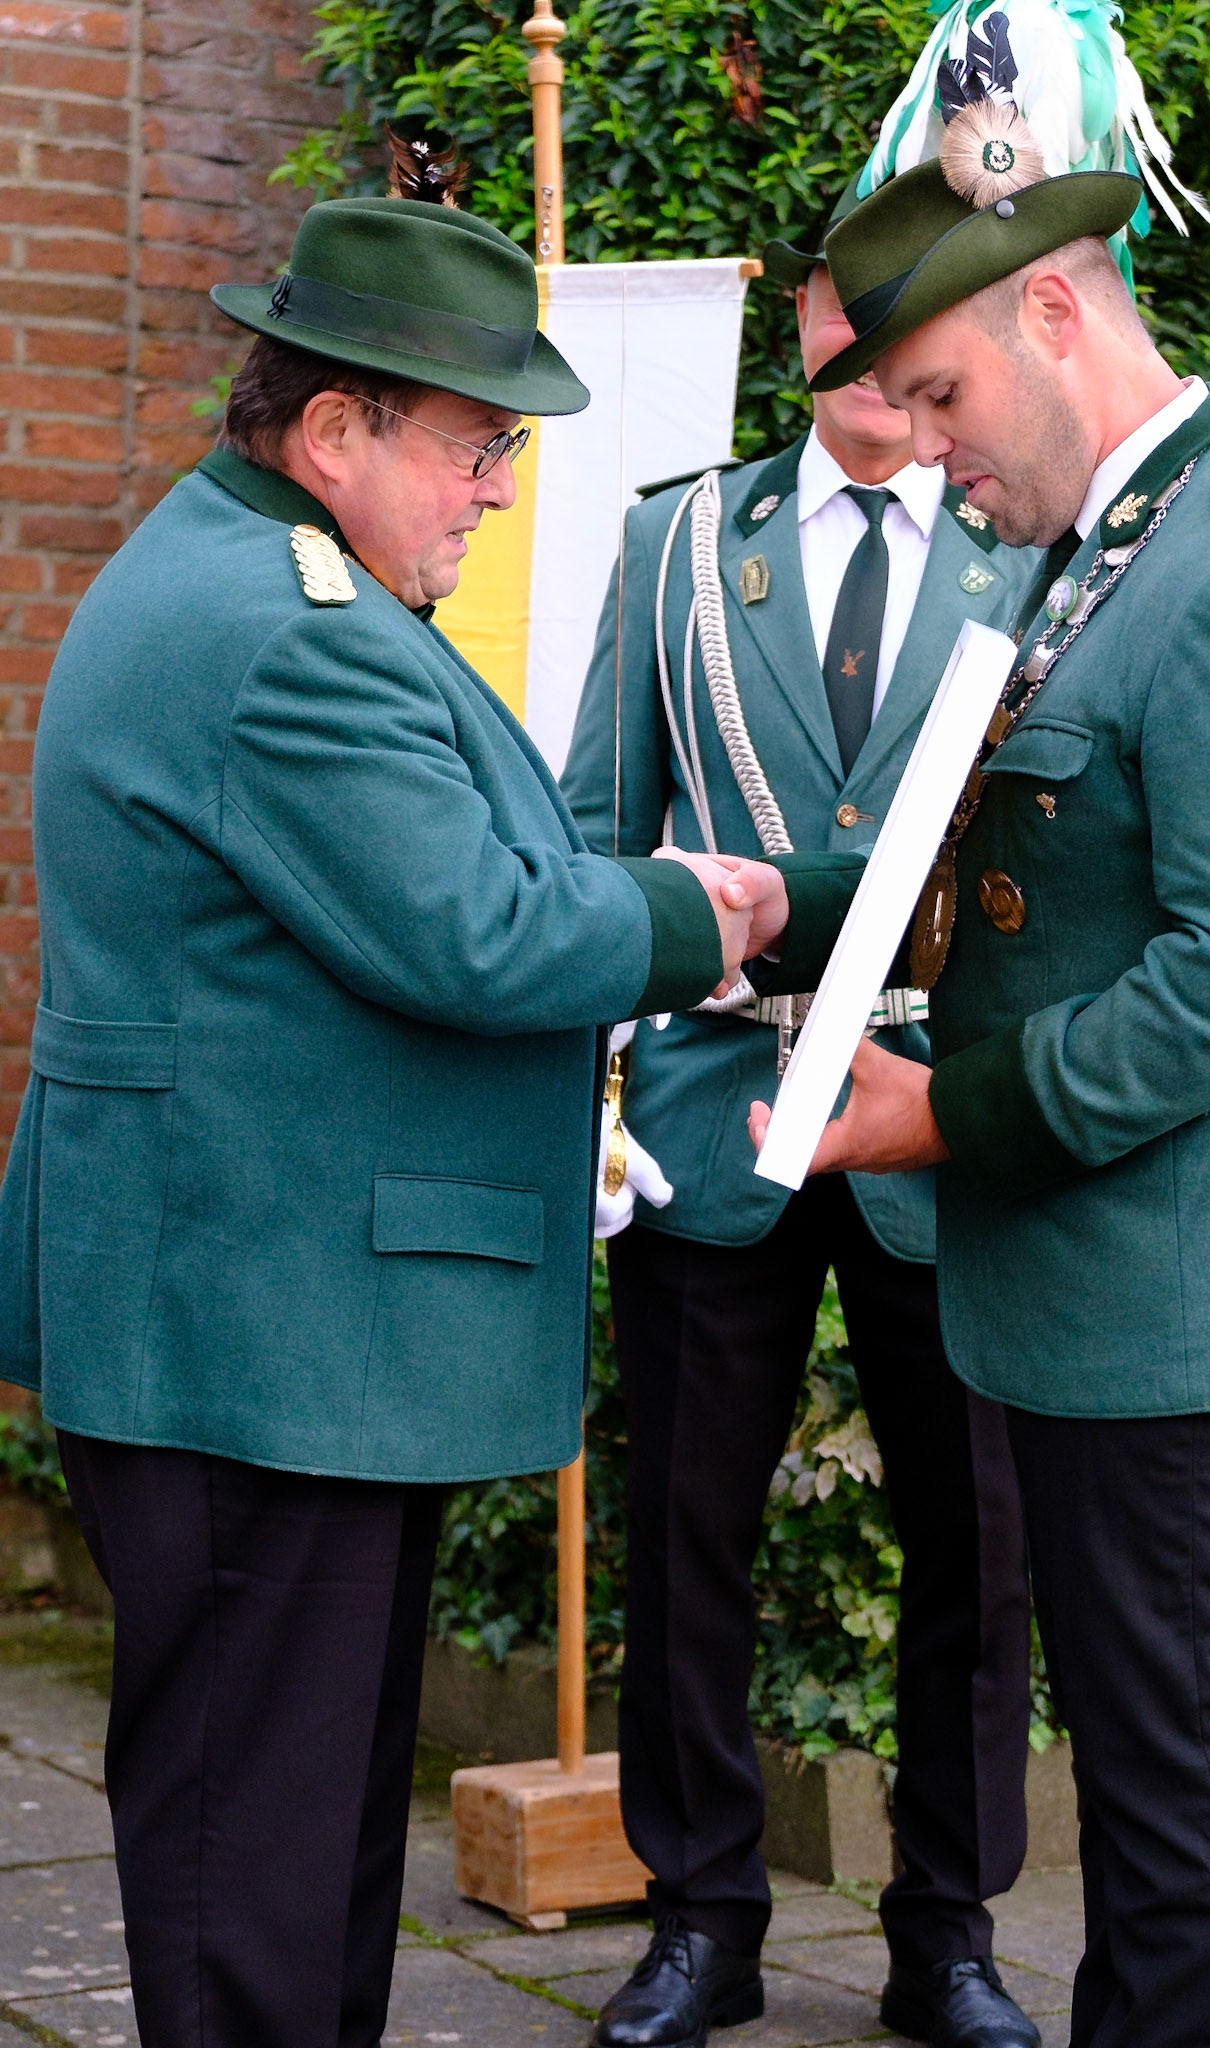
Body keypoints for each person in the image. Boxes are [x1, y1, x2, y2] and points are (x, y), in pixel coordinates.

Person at [0, 142, 811, 2048]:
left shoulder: (250, 572)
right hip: (265, 1335)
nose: (498, 485)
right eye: (471, 444)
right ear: (336, 428)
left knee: (292, 1850)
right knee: (252, 1878)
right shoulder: (289, 627)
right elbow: (475, 933)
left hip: (268, 1323)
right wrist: (688, 915)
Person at [750, 53, 1210, 2048]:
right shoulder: (1086, 549)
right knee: (1137, 1780)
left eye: (930, 399)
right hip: (1089, 1289)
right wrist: (776, 917)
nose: (916, 452)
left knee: (1176, 1806)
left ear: (1052, 306)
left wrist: (949, 1108)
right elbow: (999, 870)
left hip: (1172, 1306)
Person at [560, 203, 1040, 2048]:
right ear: (806, 316)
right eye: (848, 307)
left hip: (935, 1108)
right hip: (714, 1091)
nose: (871, 350)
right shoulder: (673, 536)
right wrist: (592, 1094)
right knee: (688, 1529)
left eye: (909, 317)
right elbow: (601, 832)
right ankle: (701, 1921)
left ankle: (950, 1933)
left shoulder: (1034, 540)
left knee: (976, 1545)